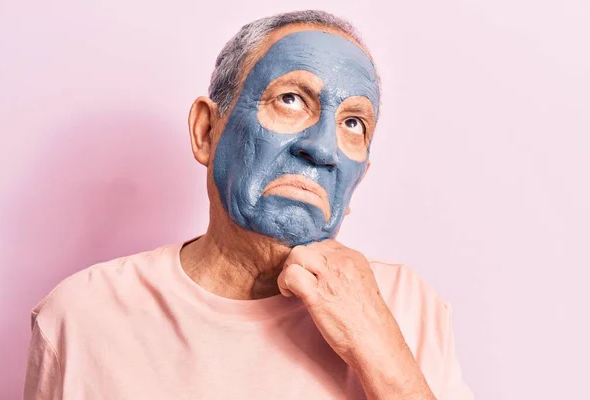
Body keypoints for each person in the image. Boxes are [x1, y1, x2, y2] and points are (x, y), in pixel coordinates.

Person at [24, 10, 474, 400]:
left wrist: (380, 351)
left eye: (352, 122)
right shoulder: (83, 315)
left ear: (358, 179)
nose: (323, 150)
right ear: (206, 131)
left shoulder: (407, 305)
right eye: (291, 99)